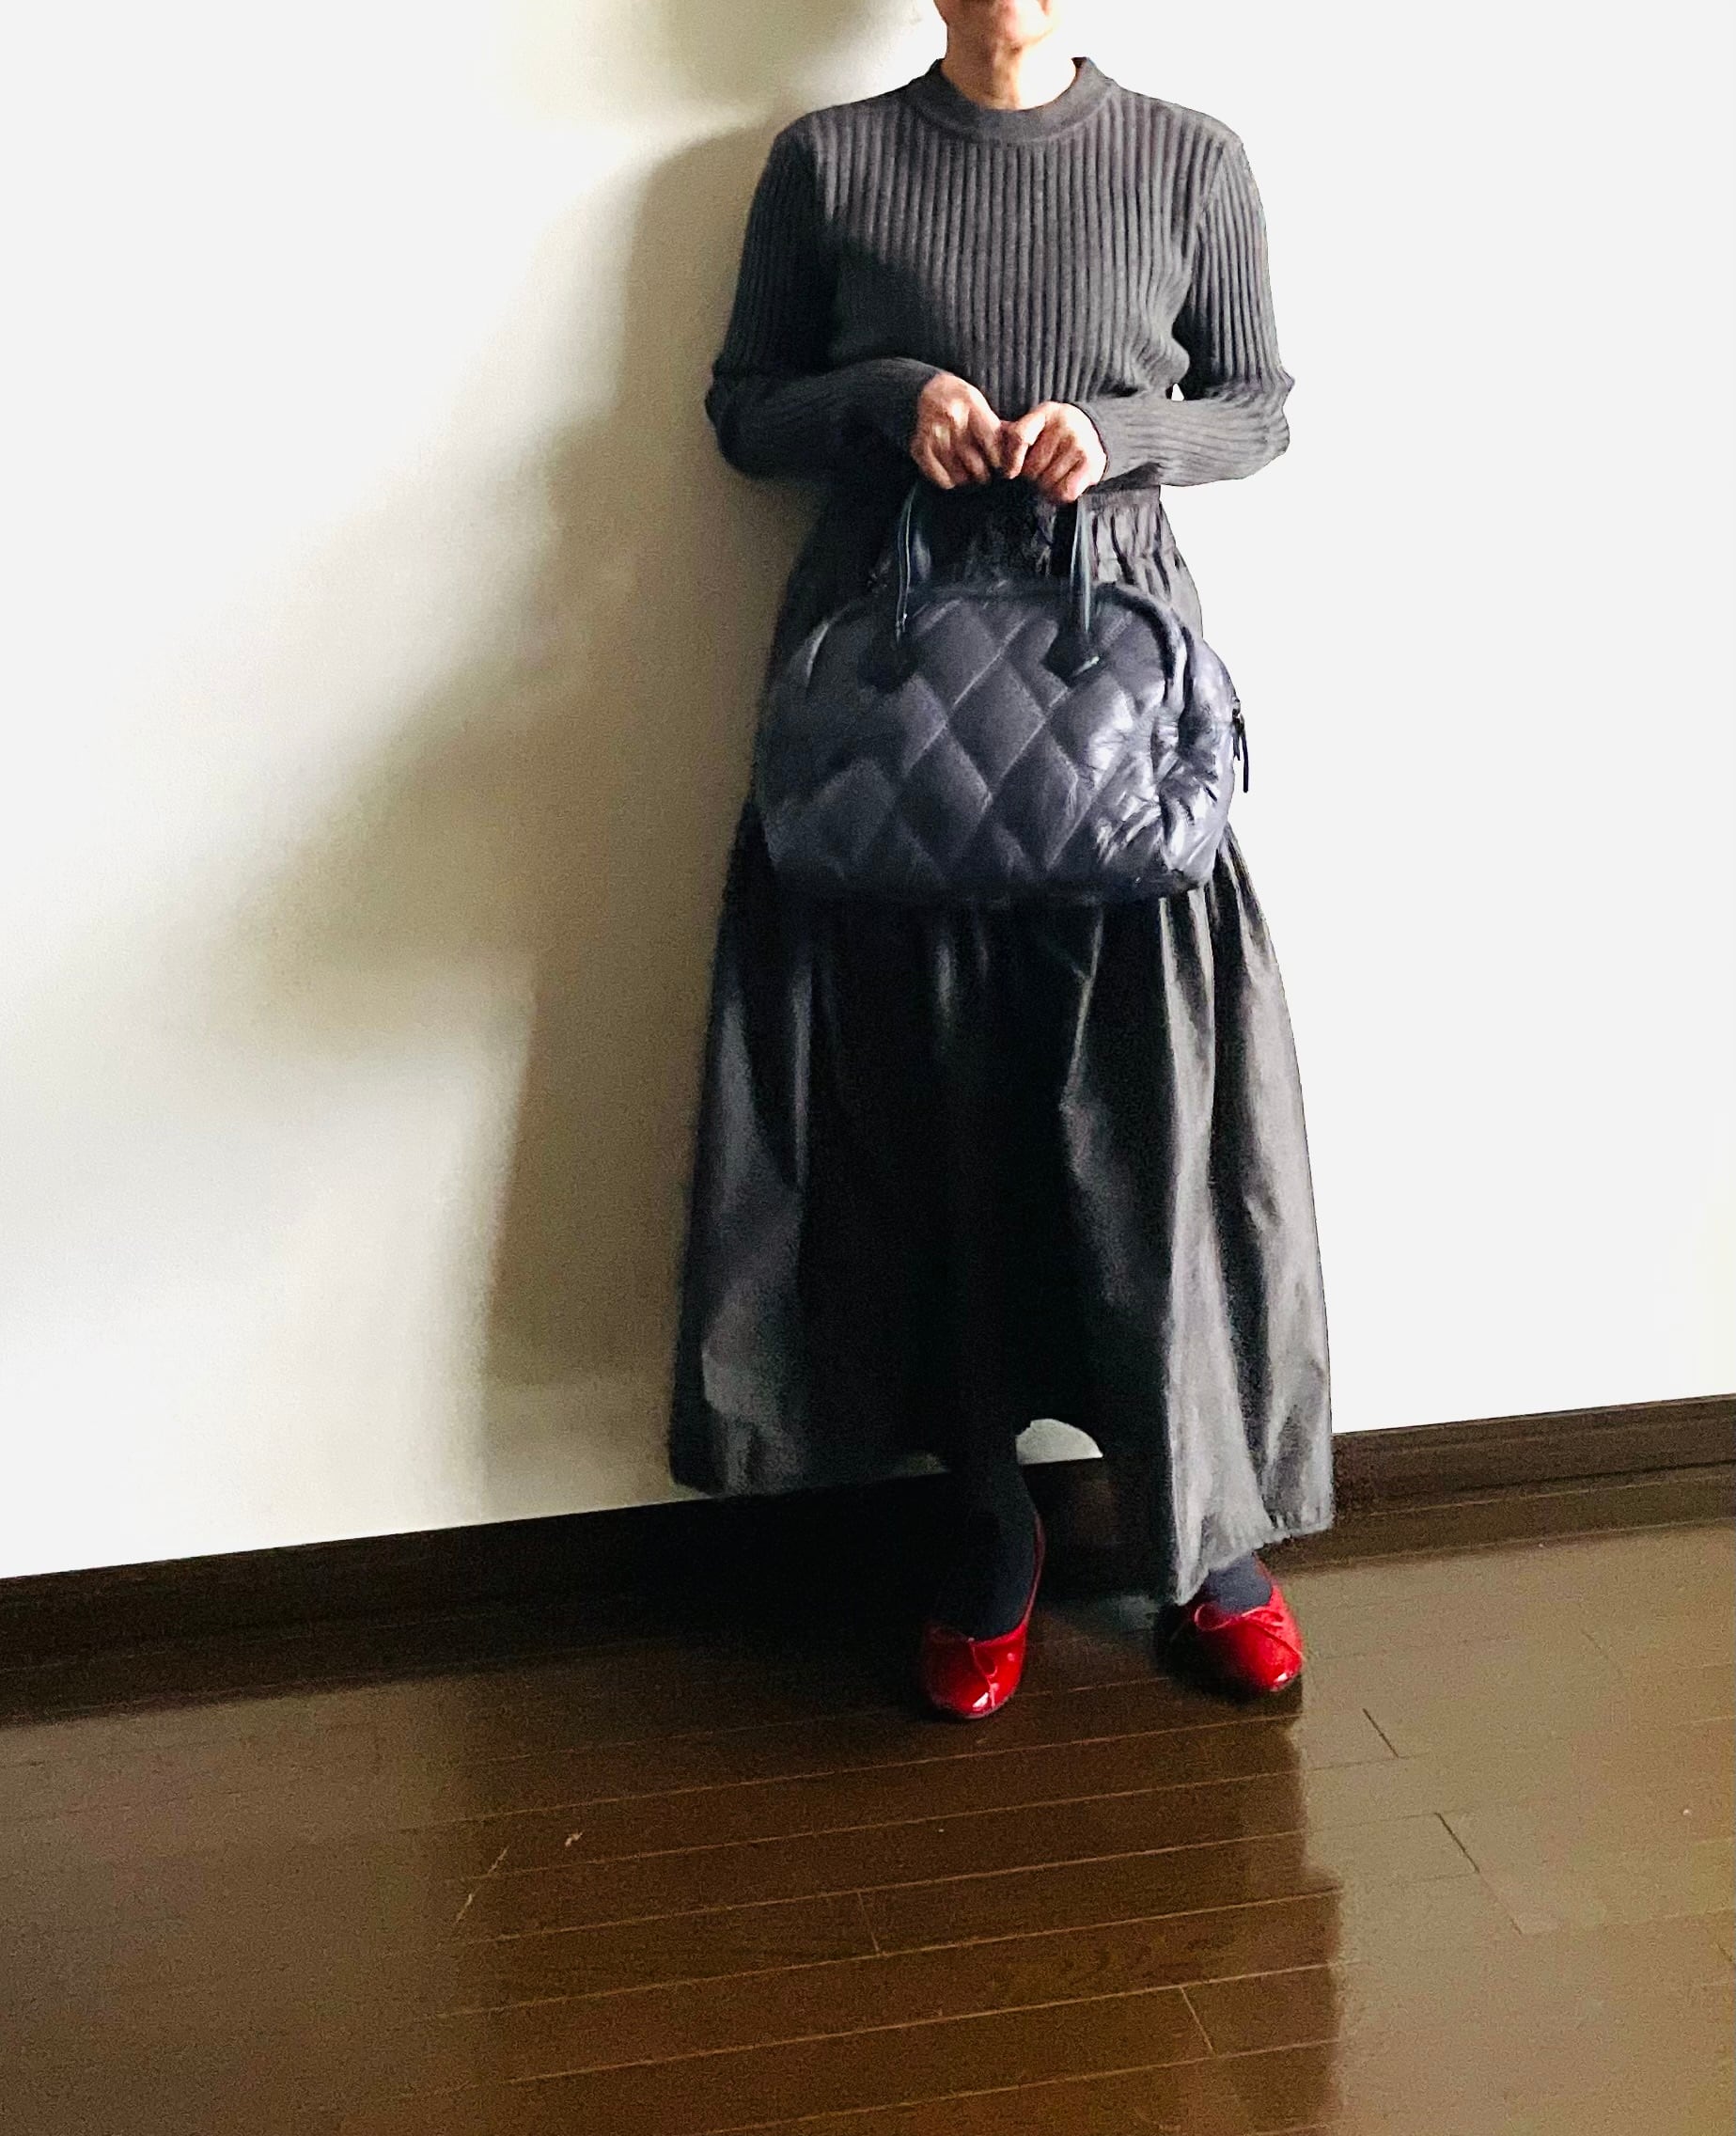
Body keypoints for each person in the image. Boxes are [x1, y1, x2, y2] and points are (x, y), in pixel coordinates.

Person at [668, 0, 1335, 1720]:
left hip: (1118, 703)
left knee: (1156, 1106)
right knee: (930, 1106)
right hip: (890, 711)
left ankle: (1205, 1534)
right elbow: (744, 411)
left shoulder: (1188, 157)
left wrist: (1119, 434)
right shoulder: (831, 162)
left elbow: (1259, 410)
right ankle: (988, 1522)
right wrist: (891, 400)